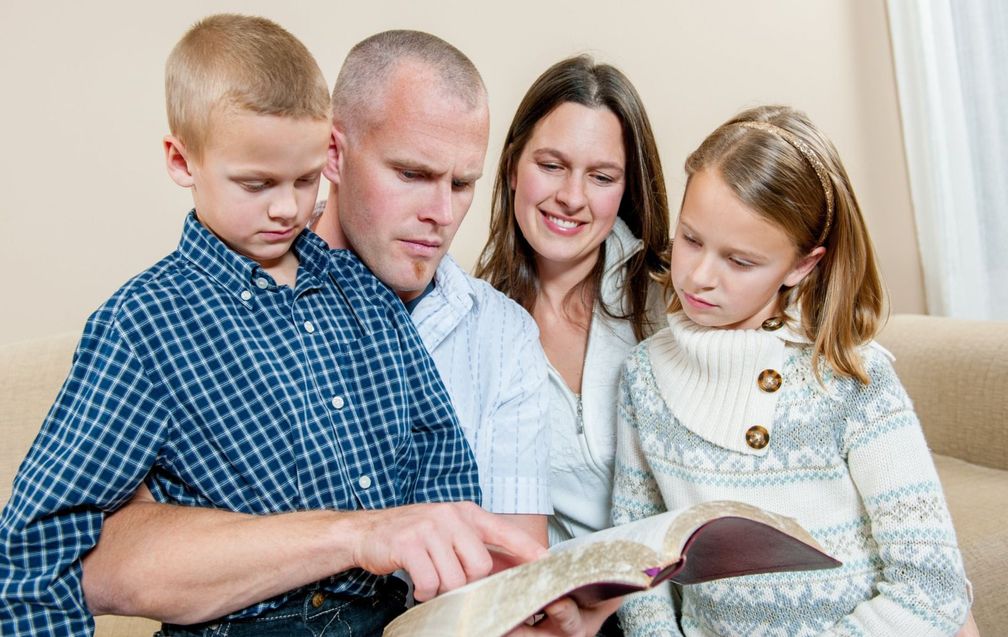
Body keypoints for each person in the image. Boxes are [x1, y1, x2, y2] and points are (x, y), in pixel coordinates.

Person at [79, 29, 612, 637]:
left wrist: (548, 610)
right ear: (333, 152)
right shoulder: (182, 315)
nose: (440, 215)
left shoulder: (503, 335)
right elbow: (91, 560)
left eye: (462, 184)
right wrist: (360, 533)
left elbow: (504, 573)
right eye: (411, 173)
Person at [0, 15, 514, 637]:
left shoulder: (363, 291)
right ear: (181, 160)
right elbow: (38, 546)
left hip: (388, 615)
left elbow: (439, 451)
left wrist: (455, 570)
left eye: (303, 181)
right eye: (255, 183)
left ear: (328, 155)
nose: (285, 208)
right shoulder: (144, 324)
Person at [611, 105, 972, 636]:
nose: (700, 276)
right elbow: (637, 557)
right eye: (690, 239)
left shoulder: (850, 376)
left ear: (802, 265)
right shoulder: (643, 377)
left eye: (740, 261)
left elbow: (933, 585)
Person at [475, 55, 671, 636]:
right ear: (512, 167)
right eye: (552, 165)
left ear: (626, 189)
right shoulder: (473, 322)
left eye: (602, 176)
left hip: (686, 600)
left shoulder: (674, 302)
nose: (572, 197)